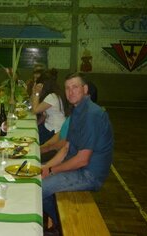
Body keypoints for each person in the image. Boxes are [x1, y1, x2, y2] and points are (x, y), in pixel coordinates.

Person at [41, 72, 113, 234]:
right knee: (38, 178)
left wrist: (51, 170)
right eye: (67, 88)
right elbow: (66, 148)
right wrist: (44, 167)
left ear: (85, 89)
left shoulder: (92, 115)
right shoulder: (77, 111)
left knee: (40, 188)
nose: (70, 92)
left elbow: (82, 160)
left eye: (75, 87)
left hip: (89, 174)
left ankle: (61, 226)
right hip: (78, 166)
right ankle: (59, 224)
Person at [31, 68, 68, 145]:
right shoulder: (55, 94)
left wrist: (36, 92)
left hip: (54, 131)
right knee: (31, 132)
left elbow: (34, 110)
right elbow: (44, 115)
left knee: (31, 140)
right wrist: (36, 125)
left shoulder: (52, 97)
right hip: (50, 126)